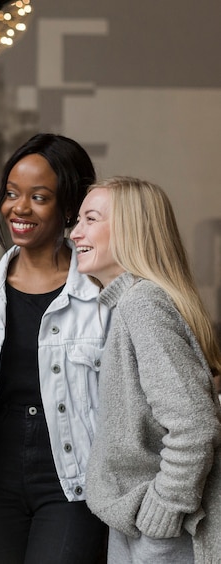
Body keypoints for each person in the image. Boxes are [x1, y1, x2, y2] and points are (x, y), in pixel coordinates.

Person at [0, 133, 109, 564]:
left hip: (73, 480)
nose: (19, 208)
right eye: (12, 194)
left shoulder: (102, 295)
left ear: (70, 207)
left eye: (39, 197)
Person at [71, 176, 221, 563]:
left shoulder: (143, 305)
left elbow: (194, 425)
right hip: (142, 524)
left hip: (161, 530)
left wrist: (164, 510)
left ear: (130, 229)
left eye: (91, 219)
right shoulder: (133, 303)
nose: (74, 232)